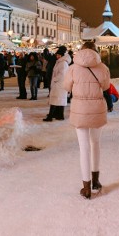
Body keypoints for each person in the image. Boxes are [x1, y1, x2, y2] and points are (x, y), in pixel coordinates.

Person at [63, 41, 110, 199]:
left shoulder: (73, 68)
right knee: (95, 144)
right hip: (97, 108)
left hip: (80, 109)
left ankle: (86, 187)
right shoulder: (102, 67)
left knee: (84, 147)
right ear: (96, 51)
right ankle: (96, 181)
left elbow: (66, 87)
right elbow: (105, 86)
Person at [44, 46, 71, 121]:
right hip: (59, 84)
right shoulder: (60, 62)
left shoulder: (62, 63)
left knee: (55, 100)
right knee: (59, 100)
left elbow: (62, 74)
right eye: (57, 55)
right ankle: (59, 115)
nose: (57, 56)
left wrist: (55, 79)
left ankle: (50, 116)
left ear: (62, 56)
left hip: (59, 84)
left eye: (58, 55)